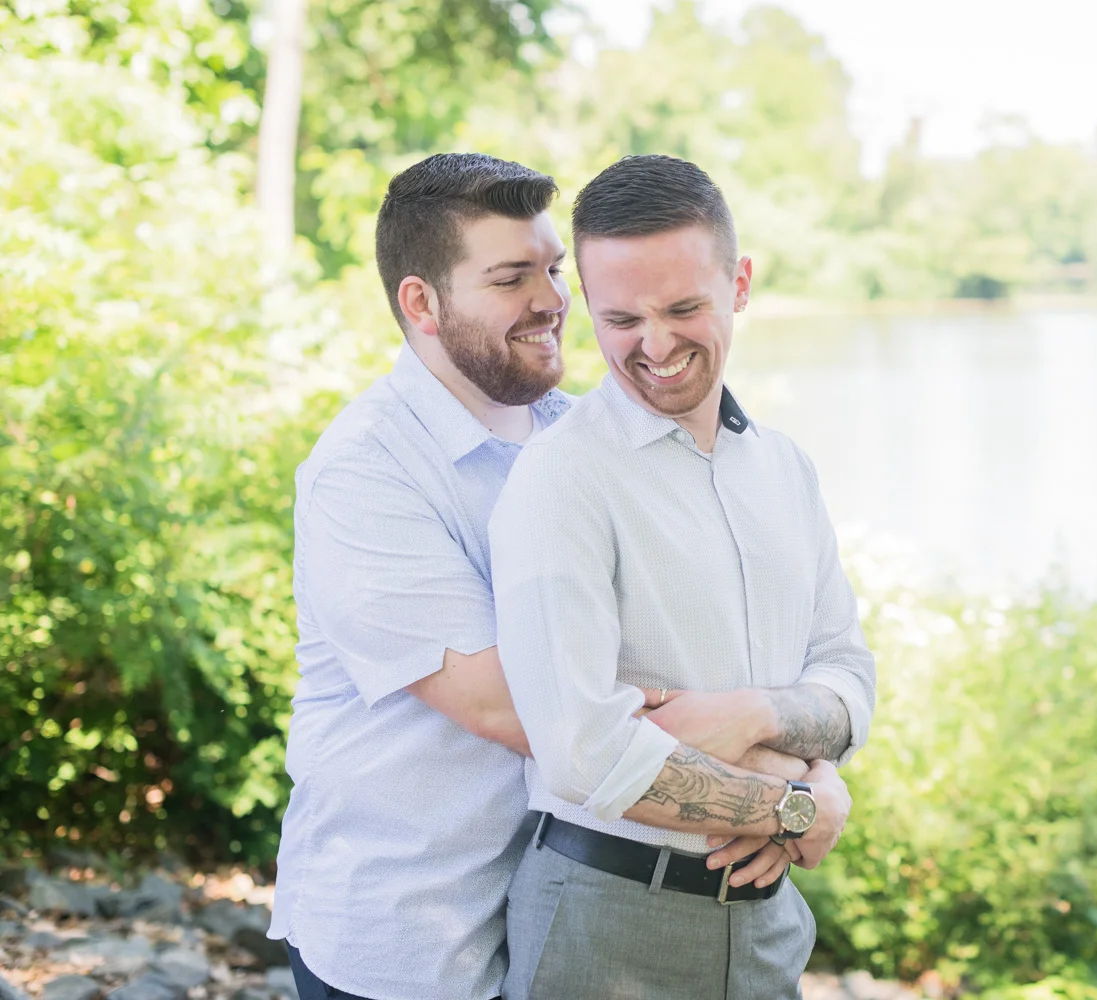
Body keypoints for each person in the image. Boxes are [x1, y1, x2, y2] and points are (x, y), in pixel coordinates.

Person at [270, 151, 858, 1000]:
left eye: (552, 269)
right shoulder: (365, 473)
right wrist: (793, 795)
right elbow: (530, 712)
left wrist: (785, 743)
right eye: (512, 278)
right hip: (408, 931)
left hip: (556, 900)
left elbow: (673, 678)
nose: (552, 299)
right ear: (421, 304)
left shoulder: (582, 434)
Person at [489, 154, 878, 1000]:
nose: (655, 345)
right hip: (605, 925)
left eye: (683, 308)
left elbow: (849, 674)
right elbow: (581, 751)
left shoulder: (785, 467)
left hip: (768, 925)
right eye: (621, 318)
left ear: (739, 284)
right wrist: (795, 806)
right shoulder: (561, 479)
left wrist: (751, 714)